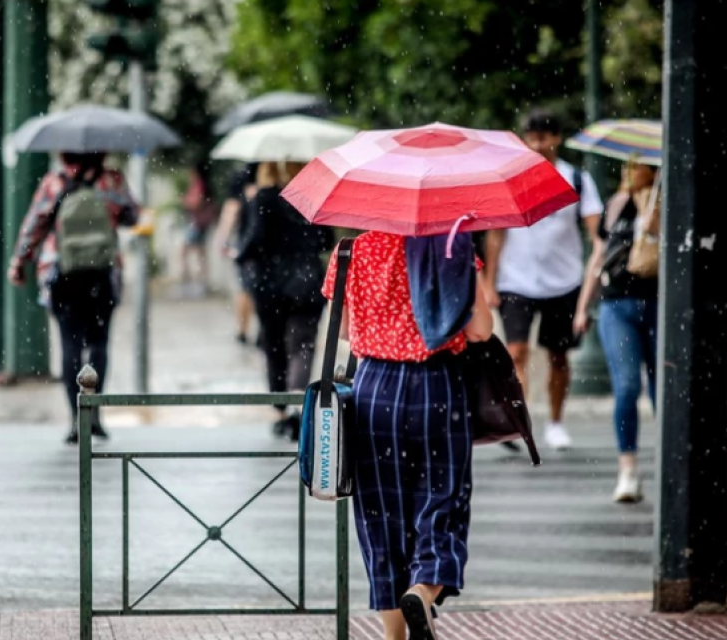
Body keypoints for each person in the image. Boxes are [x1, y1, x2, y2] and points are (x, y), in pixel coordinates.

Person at [323, 230, 494, 640]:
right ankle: (423, 587)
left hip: (373, 388)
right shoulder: (453, 246)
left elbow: (344, 328)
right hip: (437, 384)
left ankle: (394, 636)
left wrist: (382, 325)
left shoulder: (351, 249)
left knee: (381, 517)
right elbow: (481, 331)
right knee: (443, 499)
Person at [482, 110, 604, 451]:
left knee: (558, 357)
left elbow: (595, 229)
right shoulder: (512, 178)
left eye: (543, 137)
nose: (536, 144)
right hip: (516, 279)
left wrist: (599, 252)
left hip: (562, 281)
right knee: (517, 351)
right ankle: (521, 419)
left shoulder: (576, 179)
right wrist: (489, 283)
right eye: (531, 137)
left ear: (556, 139)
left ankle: (555, 421)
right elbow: (496, 234)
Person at [7, 152, 140, 444]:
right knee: (99, 344)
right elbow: (133, 216)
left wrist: (19, 262)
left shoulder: (54, 183)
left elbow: (34, 225)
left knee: (70, 345)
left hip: (62, 272)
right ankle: (95, 417)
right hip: (103, 272)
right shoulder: (112, 181)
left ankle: (75, 418)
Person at [574, 159, 659, 503]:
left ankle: (669, 464)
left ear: (653, 170)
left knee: (662, 390)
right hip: (616, 304)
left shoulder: (665, 201)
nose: (629, 171)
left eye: (637, 166)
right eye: (626, 165)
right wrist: (583, 306)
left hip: (658, 303)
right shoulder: (615, 204)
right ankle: (628, 470)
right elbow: (599, 256)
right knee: (626, 385)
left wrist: (657, 227)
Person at [236, 161, 334, 439]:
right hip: (307, 282)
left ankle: (280, 412)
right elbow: (326, 240)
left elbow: (254, 240)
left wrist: (239, 253)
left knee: (274, 346)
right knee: (302, 346)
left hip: (271, 284)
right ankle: (296, 406)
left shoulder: (264, 199)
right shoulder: (312, 196)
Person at [214, 163, 259, 345]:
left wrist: (222, 239)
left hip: (245, 244)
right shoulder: (277, 172)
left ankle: (242, 330)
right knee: (258, 288)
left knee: (245, 289)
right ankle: (260, 330)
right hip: (268, 244)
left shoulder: (243, 175)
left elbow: (231, 210)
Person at [179, 166, 217, 295]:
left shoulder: (199, 185)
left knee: (188, 252)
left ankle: (193, 281)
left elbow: (197, 203)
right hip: (199, 223)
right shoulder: (200, 185)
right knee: (199, 253)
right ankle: (200, 281)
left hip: (197, 224)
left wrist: (185, 201)